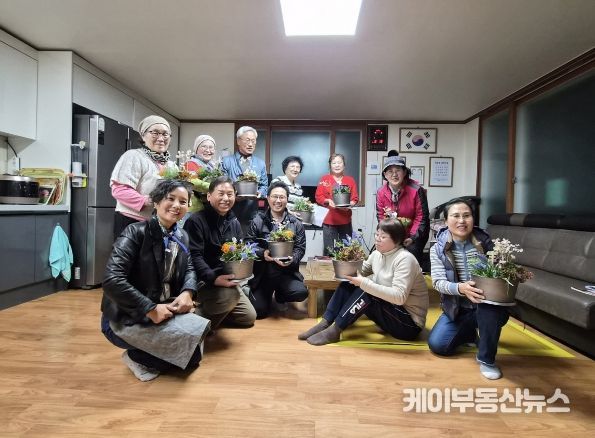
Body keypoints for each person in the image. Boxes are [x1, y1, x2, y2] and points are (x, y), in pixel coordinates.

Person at [101, 179, 211, 382]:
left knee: (193, 358)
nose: (177, 205)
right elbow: (111, 279)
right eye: (171, 199)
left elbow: (189, 268)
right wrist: (149, 308)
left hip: (164, 308)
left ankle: (150, 353)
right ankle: (134, 357)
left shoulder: (182, 235)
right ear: (157, 201)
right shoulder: (135, 232)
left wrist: (188, 291)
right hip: (127, 315)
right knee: (183, 355)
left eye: (183, 201)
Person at [298, 218, 428, 345]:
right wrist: (344, 268)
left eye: (383, 237)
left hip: (408, 324)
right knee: (348, 282)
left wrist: (363, 283)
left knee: (367, 291)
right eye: (377, 234)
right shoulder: (377, 254)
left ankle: (335, 330)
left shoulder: (405, 259)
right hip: (391, 313)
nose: (377, 239)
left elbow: (399, 297)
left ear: (397, 240)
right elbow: (360, 271)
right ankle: (325, 322)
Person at [427, 198, 509, 380]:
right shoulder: (438, 248)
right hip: (458, 308)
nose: (462, 221)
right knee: (438, 345)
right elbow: (438, 282)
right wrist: (461, 288)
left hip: (485, 304)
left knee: (489, 310)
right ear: (446, 221)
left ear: (473, 218)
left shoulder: (486, 243)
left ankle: (487, 359)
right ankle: (470, 333)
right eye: (455, 216)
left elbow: (501, 274)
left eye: (466, 215)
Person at [183, 176, 257, 330]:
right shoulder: (196, 221)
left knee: (248, 317)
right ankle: (196, 327)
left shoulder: (234, 222)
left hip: (226, 279)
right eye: (221, 193)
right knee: (230, 297)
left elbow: (239, 251)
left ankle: (215, 308)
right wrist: (213, 278)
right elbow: (194, 256)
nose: (226, 198)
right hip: (203, 280)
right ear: (209, 196)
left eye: (230, 194)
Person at [246, 181, 308, 318]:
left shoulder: (295, 223)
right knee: (259, 312)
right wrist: (263, 253)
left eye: (282, 197)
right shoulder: (257, 221)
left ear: (287, 199)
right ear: (268, 198)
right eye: (275, 196)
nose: (278, 200)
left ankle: (281, 295)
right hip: (263, 274)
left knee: (300, 292)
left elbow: (300, 248)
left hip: (287, 273)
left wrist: (292, 259)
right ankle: (265, 294)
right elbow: (248, 244)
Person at [110, 115, 174, 239]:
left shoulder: (171, 165)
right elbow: (119, 190)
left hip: (159, 223)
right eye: (155, 133)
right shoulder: (134, 156)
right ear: (143, 136)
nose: (161, 138)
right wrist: (147, 201)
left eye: (165, 134)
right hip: (131, 222)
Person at [375, 153, 430, 268]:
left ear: (404, 172)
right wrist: (388, 235)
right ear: (385, 175)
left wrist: (412, 237)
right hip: (393, 233)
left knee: (411, 258)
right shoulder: (380, 192)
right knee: (386, 257)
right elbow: (381, 216)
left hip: (415, 233)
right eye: (390, 171)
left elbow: (421, 217)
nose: (394, 174)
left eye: (398, 170)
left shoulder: (416, 190)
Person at [221, 126, 268, 233]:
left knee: (249, 240)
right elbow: (221, 184)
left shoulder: (260, 163)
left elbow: (264, 185)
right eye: (247, 140)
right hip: (229, 210)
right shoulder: (226, 161)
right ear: (238, 141)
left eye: (253, 141)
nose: (250, 144)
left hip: (252, 211)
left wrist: (260, 193)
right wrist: (233, 196)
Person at [315, 153, 358, 255]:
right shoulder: (324, 179)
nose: (337, 165)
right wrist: (328, 201)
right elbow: (318, 197)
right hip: (329, 221)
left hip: (345, 220)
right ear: (330, 165)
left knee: (347, 250)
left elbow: (355, 198)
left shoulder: (350, 180)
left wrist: (349, 205)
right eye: (334, 163)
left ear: (344, 165)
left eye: (339, 162)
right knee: (329, 250)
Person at [184, 134, 217, 217]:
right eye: (204, 147)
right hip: (194, 209)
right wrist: (215, 187)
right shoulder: (190, 163)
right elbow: (192, 181)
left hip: (208, 208)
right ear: (196, 149)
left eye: (211, 147)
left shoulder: (212, 166)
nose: (208, 150)